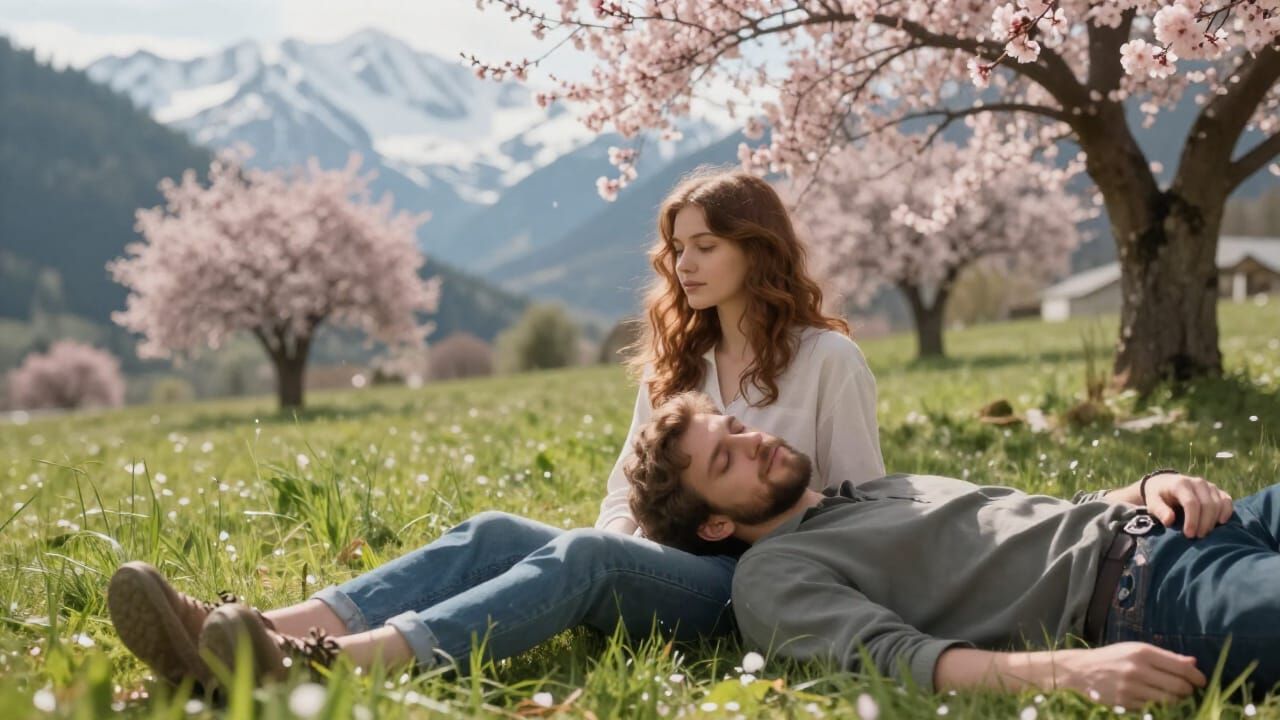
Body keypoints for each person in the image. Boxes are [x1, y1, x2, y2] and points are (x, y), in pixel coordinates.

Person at [107, 168, 886, 688]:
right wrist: (637, 546)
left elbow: (865, 517)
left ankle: (329, 665)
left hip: (759, 588)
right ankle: (232, 633)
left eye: (706, 247)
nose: (684, 265)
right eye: (677, 248)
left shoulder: (828, 361)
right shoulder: (684, 365)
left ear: (760, 249)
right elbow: (625, 491)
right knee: (491, 532)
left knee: (584, 557)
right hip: (665, 563)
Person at [624, 391, 1280, 707]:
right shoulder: (772, 575)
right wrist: (1076, 673)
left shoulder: (880, 487)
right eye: (724, 459)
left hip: (1195, 519)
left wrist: (1144, 485)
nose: (752, 441)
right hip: (1157, 597)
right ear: (713, 527)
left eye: (735, 427)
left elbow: (1044, 519)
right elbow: (899, 662)